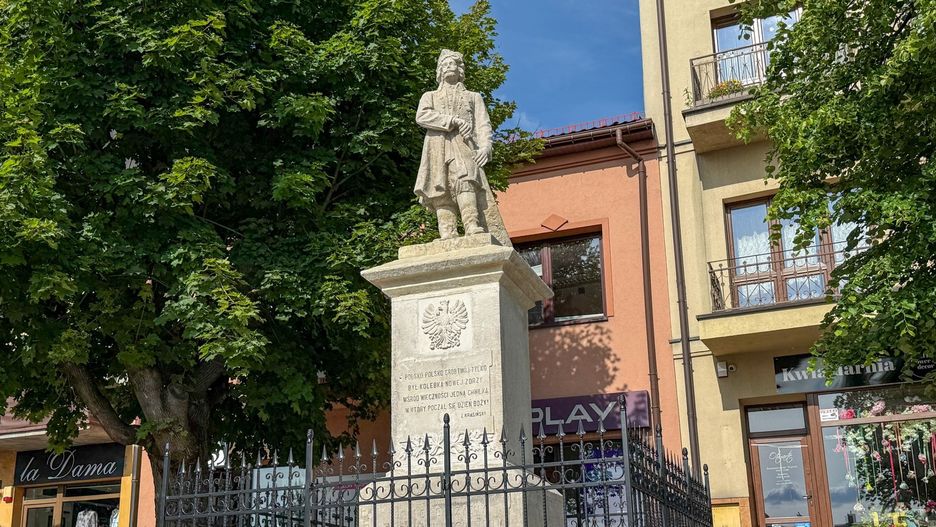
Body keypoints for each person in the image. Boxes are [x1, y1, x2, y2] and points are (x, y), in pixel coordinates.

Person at [414, 49, 494, 239]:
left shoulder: (474, 97)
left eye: (453, 64)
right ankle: (447, 232)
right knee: (439, 188)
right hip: (437, 147)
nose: (449, 67)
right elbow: (422, 116)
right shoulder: (430, 96)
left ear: (460, 70)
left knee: (465, 181)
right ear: (440, 71)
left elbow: (483, 125)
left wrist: (485, 147)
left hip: (464, 145)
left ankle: (472, 225)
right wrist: (453, 121)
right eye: (445, 64)